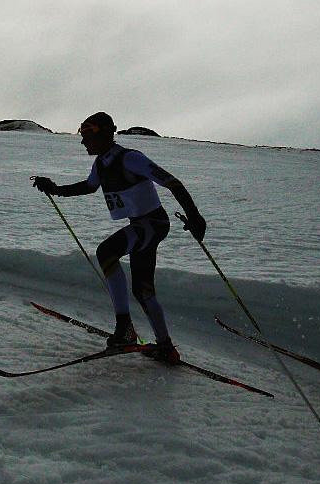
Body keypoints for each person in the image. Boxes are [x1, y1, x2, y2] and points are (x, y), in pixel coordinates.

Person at [32, 112, 206, 364]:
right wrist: (56, 189)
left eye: (85, 136)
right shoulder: (101, 164)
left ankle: (125, 330)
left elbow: (173, 182)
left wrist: (195, 216)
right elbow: (88, 187)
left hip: (153, 224)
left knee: (106, 251)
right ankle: (166, 347)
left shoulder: (130, 158)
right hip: (142, 226)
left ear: (101, 134)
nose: (83, 143)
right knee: (142, 290)